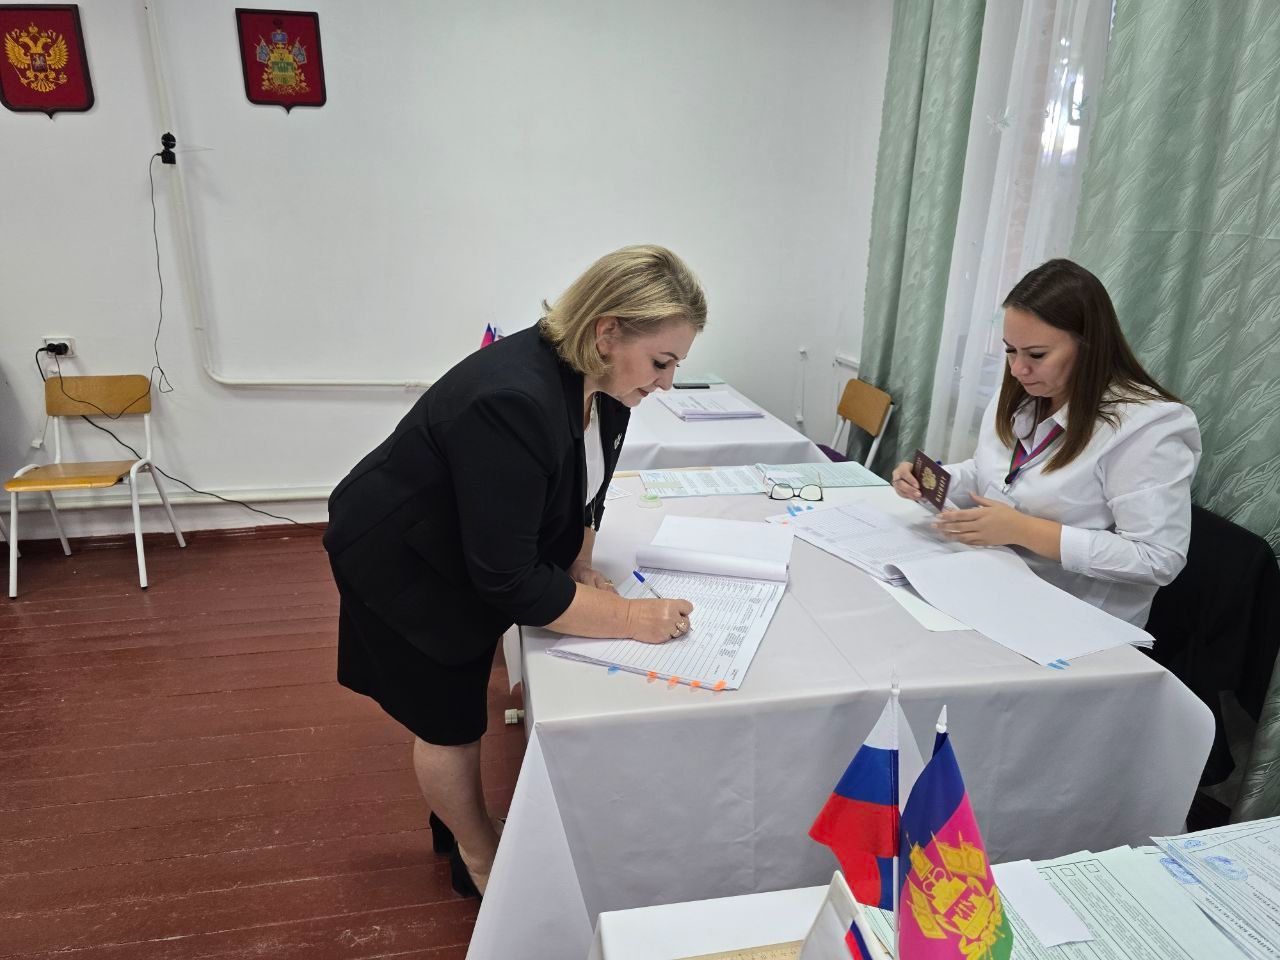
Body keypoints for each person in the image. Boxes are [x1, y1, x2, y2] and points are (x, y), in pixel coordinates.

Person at [323, 245, 707, 897]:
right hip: (403, 556)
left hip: (461, 542)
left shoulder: (605, 388)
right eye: (661, 362)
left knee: (463, 689)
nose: (666, 382)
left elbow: (587, 491)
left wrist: (580, 561)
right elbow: (508, 580)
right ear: (607, 332)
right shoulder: (511, 399)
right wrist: (632, 617)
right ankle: (476, 858)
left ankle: (463, 828)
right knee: (448, 716)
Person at [891, 258, 1201, 627]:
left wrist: (1024, 530)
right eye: (1010, 350)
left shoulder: (1146, 426)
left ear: (1089, 346)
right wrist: (931, 481)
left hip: (1074, 616)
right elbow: (992, 473)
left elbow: (1157, 558)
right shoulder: (1025, 391)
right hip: (993, 580)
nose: (1017, 369)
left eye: (1036, 355)